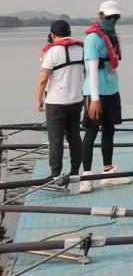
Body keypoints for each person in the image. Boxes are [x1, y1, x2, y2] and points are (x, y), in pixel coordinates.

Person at [80, 0, 130, 194]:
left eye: (116, 17)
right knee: (91, 132)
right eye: (110, 17)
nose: (113, 20)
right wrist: (94, 99)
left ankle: (108, 172)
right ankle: (86, 177)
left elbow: (112, 62)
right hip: (95, 93)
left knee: (109, 130)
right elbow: (92, 70)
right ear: (101, 15)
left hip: (111, 91)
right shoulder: (93, 38)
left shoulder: (111, 36)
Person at [36, 20, 84, 181]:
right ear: (69, 33)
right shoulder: (81, 49)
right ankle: (75, 170)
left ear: (53, 35)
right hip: (76, 100)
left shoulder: (53, 52)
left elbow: (43, 80)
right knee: (74, 136)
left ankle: (55, 174)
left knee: (55, 139)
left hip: (56, 102)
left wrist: (38, 99)